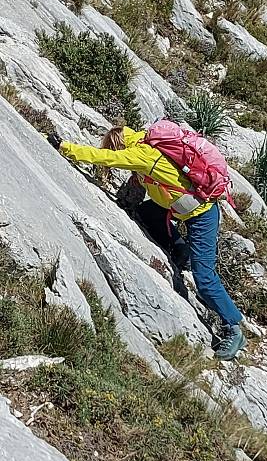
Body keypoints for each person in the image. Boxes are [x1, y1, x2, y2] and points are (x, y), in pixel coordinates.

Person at [47, 125, 245, 360]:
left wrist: (64, 147)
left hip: (201, 215)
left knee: (204, 278)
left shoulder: (143, 154)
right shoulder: (145, 140)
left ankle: (233, 327)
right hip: (179, 207)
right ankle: (181, 250)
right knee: (148, 212)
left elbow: (104, 157)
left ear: (119, 145)